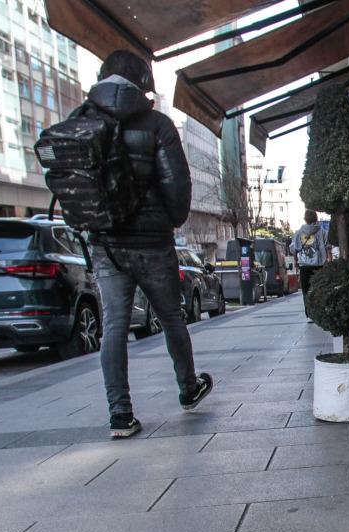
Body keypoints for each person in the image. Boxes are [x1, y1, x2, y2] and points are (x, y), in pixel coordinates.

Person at [83, 50, 212, 438]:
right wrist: (169, 221)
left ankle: (120, 414)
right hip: (152, 241)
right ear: (142, 85)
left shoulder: (83, 119)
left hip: (105, 243)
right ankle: (188, 388)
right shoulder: (157, 125)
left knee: (114, 326)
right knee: (171, 316)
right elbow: (177, 184)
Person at [290, 210, 330, 318]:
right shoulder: (322, 232)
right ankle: (320, 313)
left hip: (305, 266)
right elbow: (328, 248)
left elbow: (294, 249)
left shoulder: (299, 233)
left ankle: (309, 314)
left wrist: (296, 261)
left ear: (305, 219)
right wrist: (329, 261)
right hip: (320, 265)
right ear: (316, 219)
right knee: (320, 290)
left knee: (306, 291)